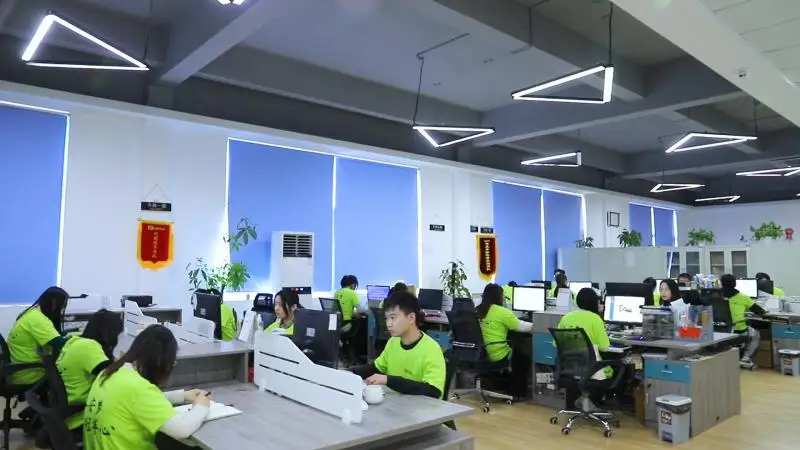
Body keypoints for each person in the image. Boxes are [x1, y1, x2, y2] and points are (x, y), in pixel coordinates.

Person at [83, 325, 212, 450]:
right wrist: (201, 405)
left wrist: (182, 396)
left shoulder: (110, 373)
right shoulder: (138, 388)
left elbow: (135, 402)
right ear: (160, 361)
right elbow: (181, 429)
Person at [350, 291, 446, 398]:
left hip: (423, 407)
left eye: (393, 317)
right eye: (387, 318)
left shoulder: (432, 349)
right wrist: (350, 372)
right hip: (398, 402)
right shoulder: (393, 342)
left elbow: (433, 391)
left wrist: (388, 380)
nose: (388, 324)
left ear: (411, 318)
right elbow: (376, 367)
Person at [55, 309, 123, 441]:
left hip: (68, 413)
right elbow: (113, 376)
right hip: (82, 416)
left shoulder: (76, 341)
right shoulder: (89, 347)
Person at [556, 288, 612, 410]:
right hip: (592, 371)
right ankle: (597, 402)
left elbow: (556, 344)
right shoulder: (595, 319)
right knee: (621, 366)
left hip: (570, 369)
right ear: (594, 302)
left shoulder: (566, 317)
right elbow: (604, 347)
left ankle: (584, 401)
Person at [475, 284, 533, 399]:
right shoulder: (501, 312)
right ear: (499, 297)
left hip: (479, 353)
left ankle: (499, 384)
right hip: (497, 354)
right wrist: (539, 324)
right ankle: (515, 393)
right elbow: (522, 327)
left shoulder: (477, 310)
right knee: (523, 358)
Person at [8, 286, 71, 385]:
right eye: (61, 306)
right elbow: (61, 344)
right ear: (54, 305)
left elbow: (53, 334)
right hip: (30, 374)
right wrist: (81, 339)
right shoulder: (38, 320)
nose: (61, 309)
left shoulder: (32, 312)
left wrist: (71, 335)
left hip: (17, 371)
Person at [720, 274, 766, 367]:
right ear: (735, 284)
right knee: (756, 334)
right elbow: (760, 311)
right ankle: (745, 358)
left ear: (721, 284)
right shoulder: (743, 297)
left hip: (720, 330)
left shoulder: (716, 296)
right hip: (738, 330)